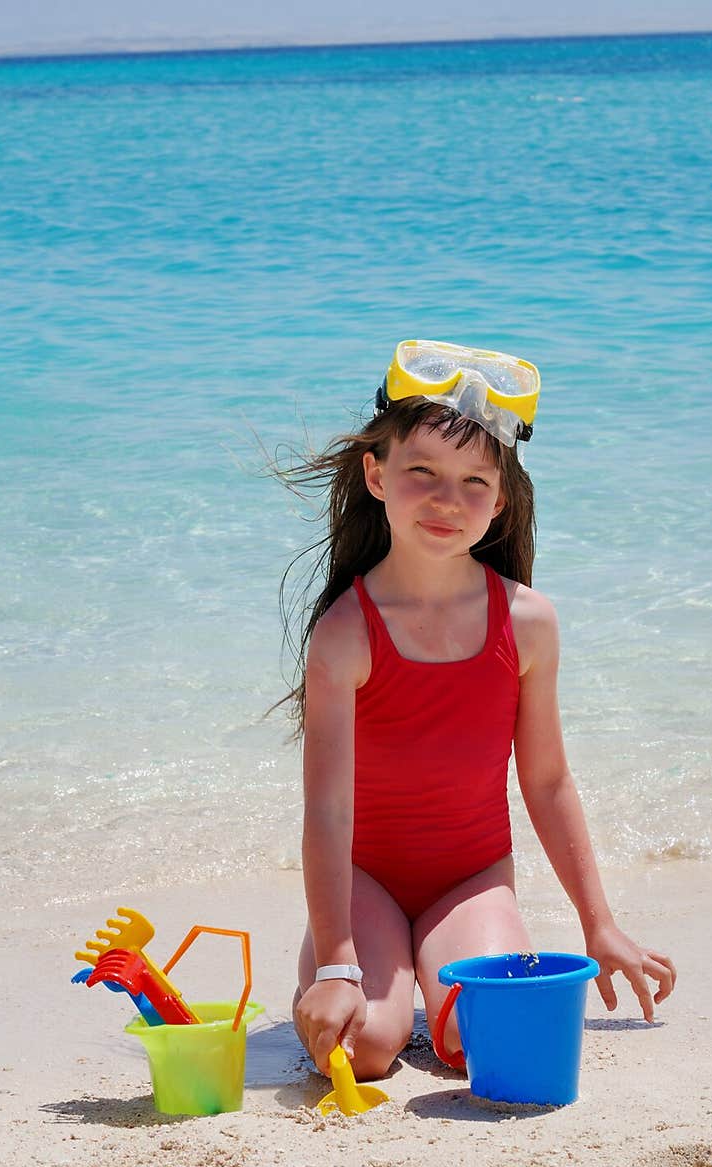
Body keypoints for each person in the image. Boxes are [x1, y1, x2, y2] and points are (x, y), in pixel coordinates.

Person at [276, 338, 676, 1082]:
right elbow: (327, 811)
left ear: (500, 502)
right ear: (376, 474)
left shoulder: (528, 622)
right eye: (421, 471)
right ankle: (345, 965)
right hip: (366, 877)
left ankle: (417, 966)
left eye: (473, 482)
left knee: (481, 1045)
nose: (446, 499)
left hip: (472, 879)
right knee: (367, 1047)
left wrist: (601, 923)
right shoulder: (344, 634)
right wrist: (336, 960)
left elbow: (548, 780)